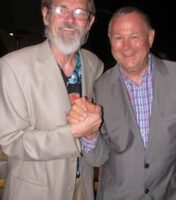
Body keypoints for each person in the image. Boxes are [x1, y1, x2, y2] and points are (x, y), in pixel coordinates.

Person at [67, 6, 176, 200]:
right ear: (110, 40)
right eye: (118, 38)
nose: (126, 46)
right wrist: (91, 134)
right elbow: (98, 158)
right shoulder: (100, 87)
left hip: (174, 194)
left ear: (150, 38)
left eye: (134, 37)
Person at [0, 0, 104, 199]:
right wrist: (72, 133)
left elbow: (98, 133)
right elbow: (12, 141)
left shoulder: (94, 64)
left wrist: (91, 135)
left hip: (83, 189)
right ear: (45, 15)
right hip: (35, 192)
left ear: (89, 22)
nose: (70, 19)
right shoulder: (13, 67)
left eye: (80, 12)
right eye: (60, 10)